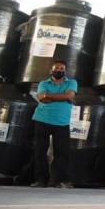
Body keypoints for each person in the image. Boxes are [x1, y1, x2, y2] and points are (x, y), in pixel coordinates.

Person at [31, 59, 77, 188]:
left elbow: (69, 96)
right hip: (42, 119)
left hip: (62, 122)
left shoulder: (72, 82)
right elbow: (41, 98)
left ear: (65, 71)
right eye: (56, 68)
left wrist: (49, 97)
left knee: (62, 152)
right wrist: (62, 97)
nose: (59, 71)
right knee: (40, 151)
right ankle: (41, 180)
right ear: (51, 70)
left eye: (62, 69)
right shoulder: (43, 83)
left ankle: (59, 180)